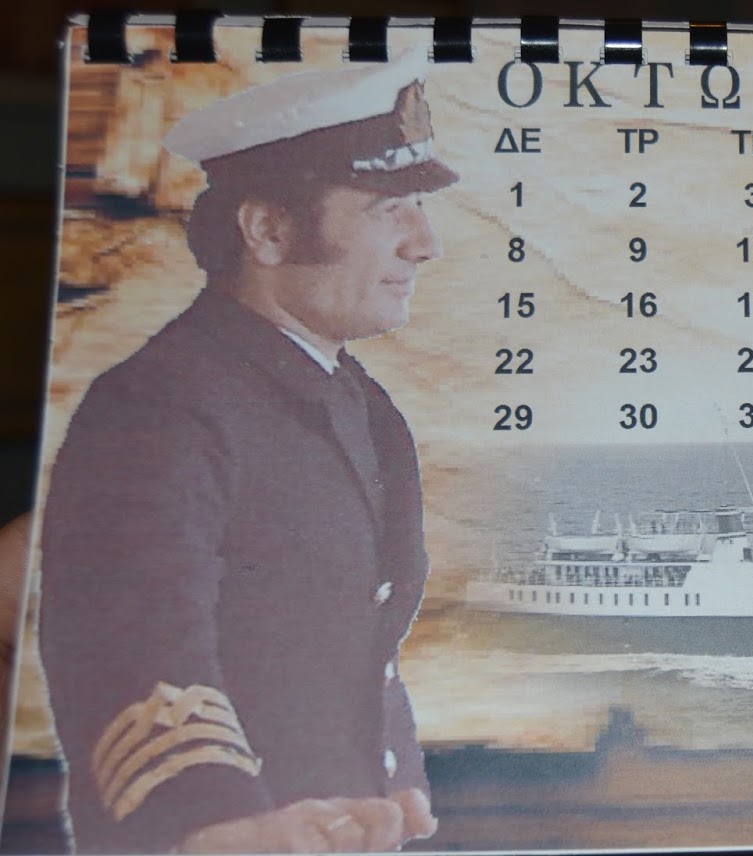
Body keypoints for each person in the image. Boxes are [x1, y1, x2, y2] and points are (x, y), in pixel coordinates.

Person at [37, 50, 456, 853]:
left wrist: (393, 777)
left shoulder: (352, 400)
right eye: (388, 210)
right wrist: (213, 820)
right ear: (267, 230)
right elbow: (129, 640)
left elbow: (352, 637)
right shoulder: (159, 404)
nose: (424, 243)